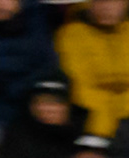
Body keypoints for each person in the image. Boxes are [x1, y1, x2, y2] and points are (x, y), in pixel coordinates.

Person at [55, 0, 129, 139]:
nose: (107, 7)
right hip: (89, 122)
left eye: (115, 2)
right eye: (100, 2)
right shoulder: (71, 35)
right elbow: (79, 85)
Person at [3, 79, 87, 158]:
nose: (47, 108)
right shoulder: (19, 130)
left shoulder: (86, 129)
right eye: (40, 102)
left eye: (55, 102)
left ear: (68, 106)